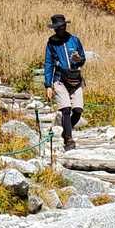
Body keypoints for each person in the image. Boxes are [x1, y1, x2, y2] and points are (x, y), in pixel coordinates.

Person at [43, 14, 87, 150]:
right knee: (66, 109)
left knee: (78, 110)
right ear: (54, 29)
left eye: (62, 26)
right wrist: (48, 85)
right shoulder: (51, 43)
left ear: (65, 25)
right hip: (59, 79)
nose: (60, 29)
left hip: (75, 80)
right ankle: (69, 140)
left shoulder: (74, 40)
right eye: (57, 27)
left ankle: (66, 131)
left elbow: (83, 59)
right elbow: (48, 63)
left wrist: (78, 59)